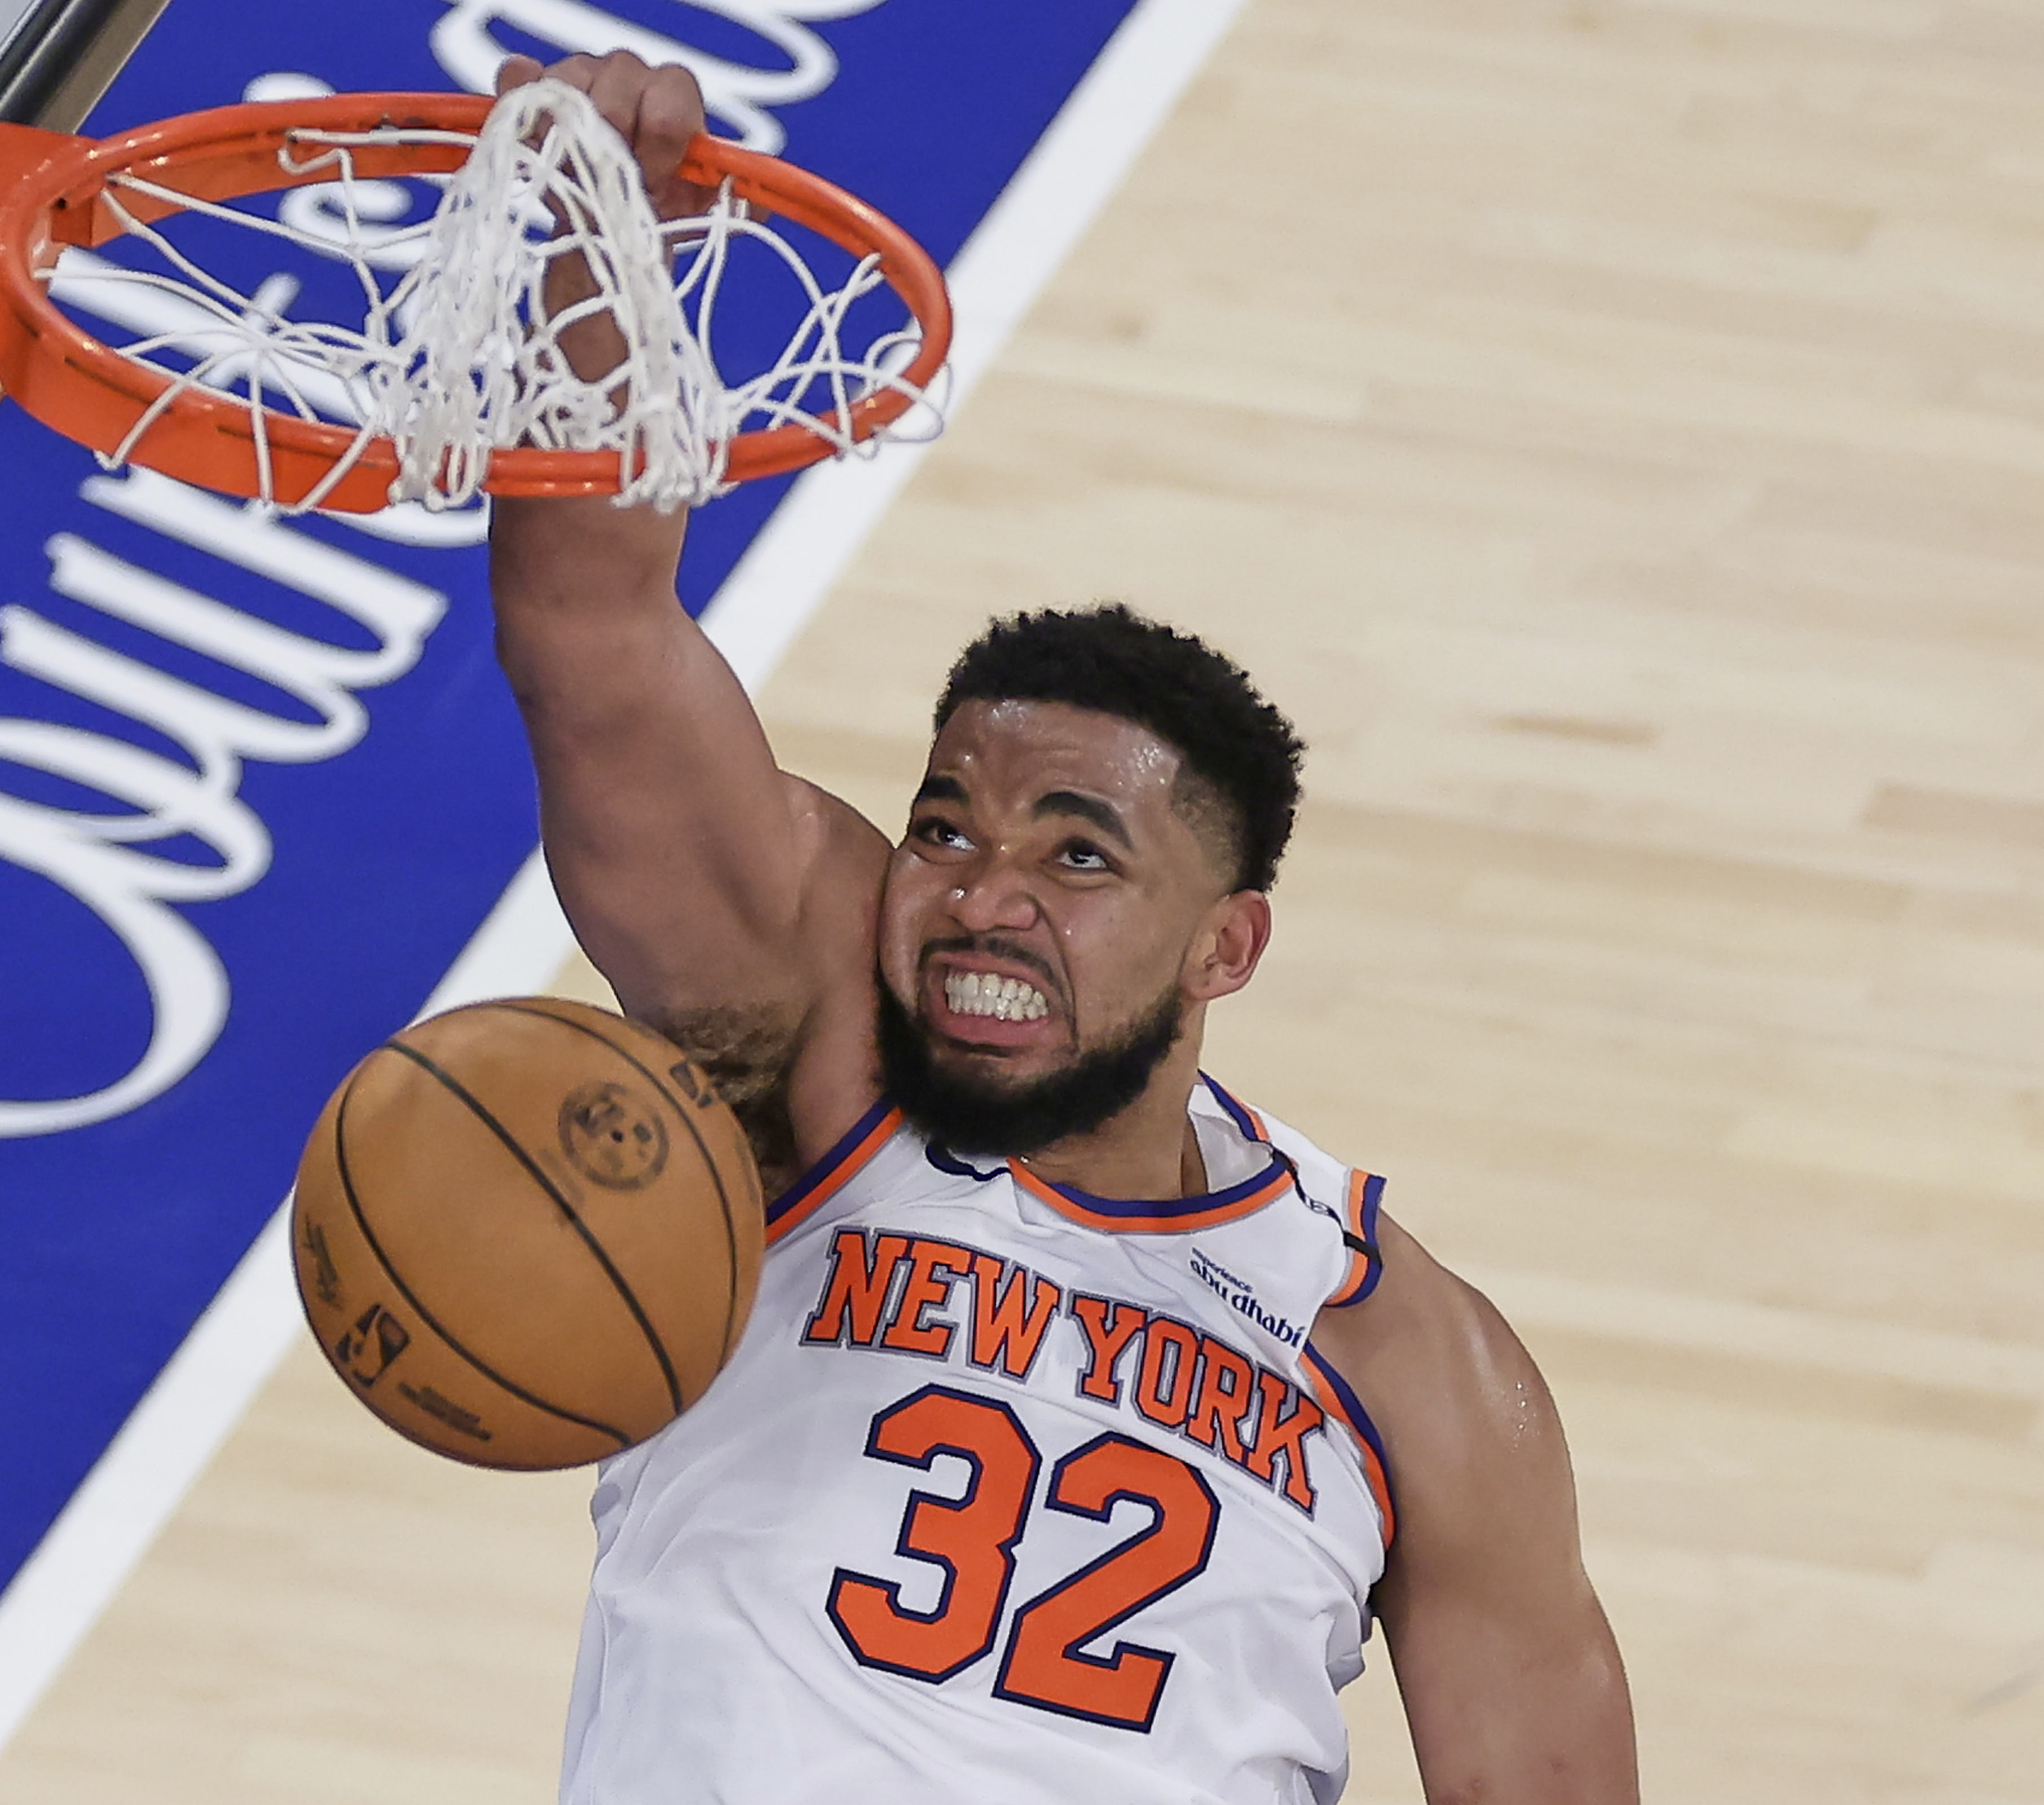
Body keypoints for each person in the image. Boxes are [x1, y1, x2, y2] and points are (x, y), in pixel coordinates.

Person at [486, 49, 1638, 1805]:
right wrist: (597, 271)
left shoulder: (1405, 1354)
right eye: (946, 826)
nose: (980, 896)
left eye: (1077, 856)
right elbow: (589, 635)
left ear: (1225, 949)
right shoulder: (817, 1052)